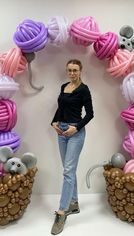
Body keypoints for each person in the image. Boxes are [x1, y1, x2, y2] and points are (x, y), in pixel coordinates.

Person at [50, 59, 94, 235]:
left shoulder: (84, 89)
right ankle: (74, 204)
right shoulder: (63, 87)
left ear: (80, 71)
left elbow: (90, 114)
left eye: (75, 70)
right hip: (61, 131)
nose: (72, 73)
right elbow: (61, 108)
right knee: (69, 170)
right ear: (66, 71)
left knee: (68, 171)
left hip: (75, 132)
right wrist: (53, 122)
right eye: (69, 70)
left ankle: (62, 212)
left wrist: (76, 127)